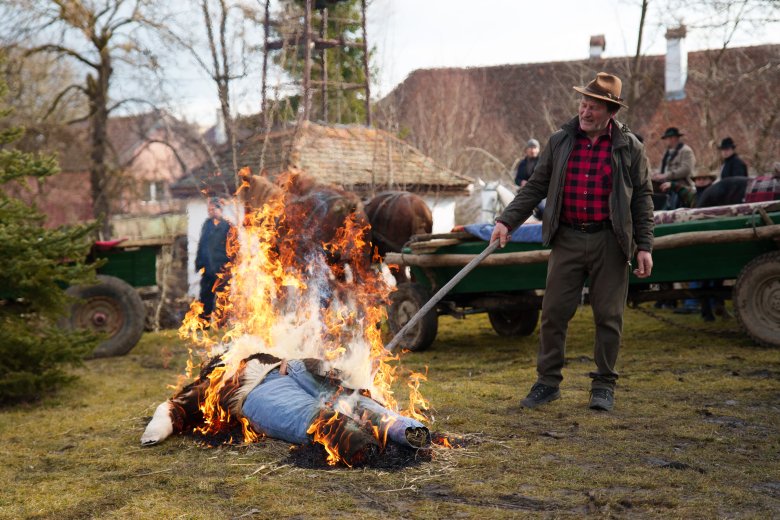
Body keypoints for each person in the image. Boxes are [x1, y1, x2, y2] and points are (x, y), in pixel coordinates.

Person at [490, 72, 654, 412]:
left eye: (594, 107)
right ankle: (548, 383)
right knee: (553, 313)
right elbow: (536, 186)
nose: (585, 111)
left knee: (608, 316)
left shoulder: (629, 147)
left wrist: (644, 245)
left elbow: (642, 198)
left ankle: (603, 385)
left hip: (610, 240)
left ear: (611, 112)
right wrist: (506, 221)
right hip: (567, 237)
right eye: (583, 103)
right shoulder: (560, 141)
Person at [195, 197, 232, 321]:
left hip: (222, 268)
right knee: (205, 297)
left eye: (212, 209)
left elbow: (233, 248)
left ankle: (222, 323)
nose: (210, 212)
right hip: (208, 269)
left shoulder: (227, 226)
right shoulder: (207, 225)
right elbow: (201, 244)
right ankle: (203, 323)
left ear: (219, 209)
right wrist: (199, 263)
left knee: (223, 297)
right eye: (209, 210)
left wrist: (229, 265)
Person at [652, 127, 695, 210]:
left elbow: (686, 169)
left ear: (673, 138)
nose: (666, 141)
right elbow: (662, 169)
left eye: (667, 138)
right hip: (665, 185)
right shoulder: (667, 152)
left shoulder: (686, 151)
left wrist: (666, 175)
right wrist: (656, 174)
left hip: (680, 185)